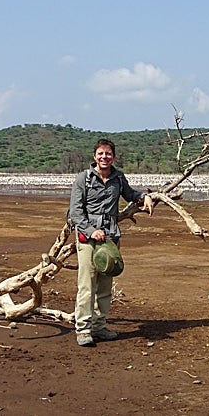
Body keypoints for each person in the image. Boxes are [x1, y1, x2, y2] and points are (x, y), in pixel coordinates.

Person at [69, 138, 154, 347]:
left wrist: (145, 197)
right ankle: (83, 329)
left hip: (111, 238)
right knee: (87, 285)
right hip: (88, 240)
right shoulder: (83, 179)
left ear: (113, 157)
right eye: (100, 153)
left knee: (105, 285)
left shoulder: (118, 177)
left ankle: (99, 327)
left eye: (108, 154)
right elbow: (76, 213)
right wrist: (91, 231)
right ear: (94, 156)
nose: (104, 157)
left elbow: (130, 194)